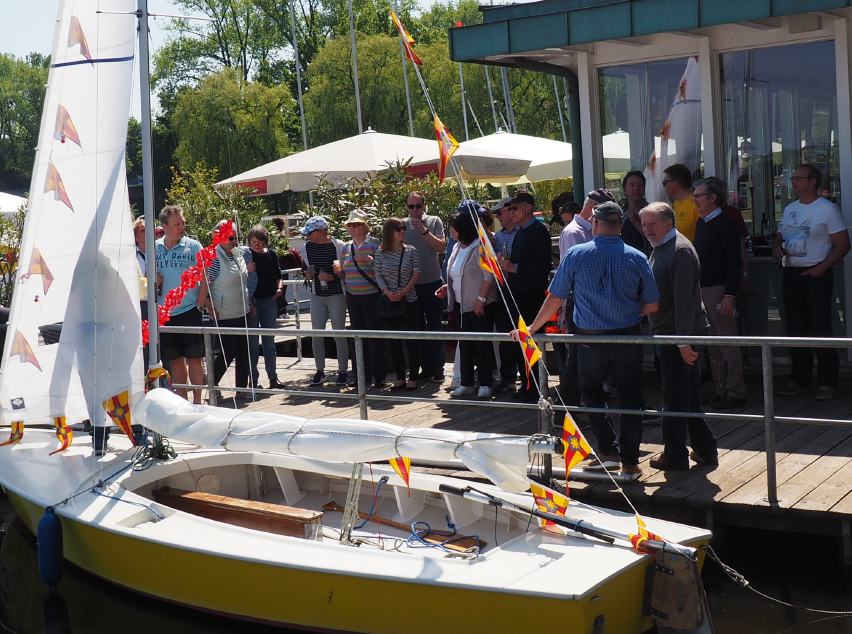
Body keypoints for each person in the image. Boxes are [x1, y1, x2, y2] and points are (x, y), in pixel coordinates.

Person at [518, 201, 660, 477]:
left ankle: (607, 451)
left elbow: (555, 299)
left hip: (589, 339)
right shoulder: (638, 256)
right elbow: (653, 305)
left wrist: (533, 327)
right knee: (631, 398)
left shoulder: (575, 254)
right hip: (628, 338)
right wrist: (629, 311)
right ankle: (630, 462)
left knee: (592, 394)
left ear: (594, 224)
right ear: (621, 226)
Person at [641, 202, 718, 470]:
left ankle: (674, 454)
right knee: (686, 395)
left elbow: (685, 300)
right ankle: (706, 449)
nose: (647, 229)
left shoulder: (679, 251)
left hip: (678, 334)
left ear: (669, 223)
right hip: (672, 333)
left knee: (674, 396)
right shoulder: (663, 246)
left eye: (653, 223)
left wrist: (683, 341)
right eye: (644, 224)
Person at [772, 164, 851, 400]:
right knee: (795, 328)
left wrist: (821, 269)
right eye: (792, 178)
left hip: (816, 273)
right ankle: (800, 379)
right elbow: (781, 234)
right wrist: (776, 246)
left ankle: (828, 382)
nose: (793, 181)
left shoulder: (827, 209)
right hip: (791, 273)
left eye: (798, 178)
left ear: (812, 182)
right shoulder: (789, 209)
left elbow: (844, 244)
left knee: (819, 327)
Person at [692, 177, 745, 409]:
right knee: (712, 344)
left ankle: (736, 392)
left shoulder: (726, 222)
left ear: (713, 198)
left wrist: (730, 295)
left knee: (727, 342)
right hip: (703, 289)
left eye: (698, 196)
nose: (694, 200)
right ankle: (720, 388)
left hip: (720, 291)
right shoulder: (702, 222)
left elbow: (734, 261)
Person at [437, 208, 498, 399]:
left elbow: (490, 275)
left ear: (462, 228)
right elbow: (459, 274)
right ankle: (467, 383)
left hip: (480, 305)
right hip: (461, 305)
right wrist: (448, 286)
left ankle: (486, 384)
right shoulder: (456, 247)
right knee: (465, 345)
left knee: (482, 345)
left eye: (453, 228)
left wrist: (481, 299)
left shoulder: (480, 247)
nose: (451, 232)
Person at [497, 191, 552, 402]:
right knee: (521, 342)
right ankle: (527, 385)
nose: (511, 212)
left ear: (527, 208)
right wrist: (508, 264)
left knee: (532, 343)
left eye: (514, 208)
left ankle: (536, 388)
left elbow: (542, 267)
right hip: (518, 294)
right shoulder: (521, 232)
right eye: (509, 208)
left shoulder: (538, 231)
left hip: (531, 295)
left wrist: (515, 267)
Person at [155, 205, 209, 403]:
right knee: (175, 359)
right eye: (177, 224)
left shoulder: (194, 246)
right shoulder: (155, 247)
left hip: (189, 310)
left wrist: (200, 305)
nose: (181, 227)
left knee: (195, 358)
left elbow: (204, 277)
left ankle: (197, 401)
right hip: (165, 313)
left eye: (183, 223)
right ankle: (182, 401)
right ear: (165, 226)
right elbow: (146, 277)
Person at [334, 209, 386, 389]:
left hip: (371, 295)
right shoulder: (346, 247)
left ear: (365, 226)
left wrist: (369, 259)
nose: (352, 227)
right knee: (358, 337)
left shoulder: (374, 244)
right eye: (350, 224)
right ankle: (361, 376)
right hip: (353, 297)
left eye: (356, 224)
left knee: (374, 336)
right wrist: (339, 273)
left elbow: (382, 269)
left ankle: (379, 376)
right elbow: (344, 273)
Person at [204, 220, 254, 399]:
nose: (234, 240)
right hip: (225, 313)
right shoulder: (214, 258)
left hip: (243, 309)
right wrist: (210, 308)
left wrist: (250, 303)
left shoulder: (237, 254)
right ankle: (211, 383)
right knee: (227, 352)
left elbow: (242, 281)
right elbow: (206, 285)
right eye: (230, 237)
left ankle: (242, 390)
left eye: (236, 237)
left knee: (243, 351)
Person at [298, 216, 349, 387]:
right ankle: (320, 371)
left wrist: (332, 276)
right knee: (316, 334)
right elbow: (305, 268)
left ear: (321, 232)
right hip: (317, 295)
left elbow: (346, 271)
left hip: (336, 295)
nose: (307, 236)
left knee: (339, 333)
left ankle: (343, 371)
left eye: (310, 233)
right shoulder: (306, 248)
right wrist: (308, 274)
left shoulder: (339, 246)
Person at [404, 191, 447, 382]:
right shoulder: (402, 225)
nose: (415, 210)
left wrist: (423, 229)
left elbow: (441, 247)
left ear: (424, 205)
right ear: (406, 207)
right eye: (411, 206)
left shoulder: (434, 221)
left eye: (418, 206)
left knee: (435, 325)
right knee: (417, 327)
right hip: (410, 285)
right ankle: (425, 367)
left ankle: (438, 367)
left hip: (432, 282)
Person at [375, 218, 422, 390]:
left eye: (404, 228)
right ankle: (400, 377)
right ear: (389, 232)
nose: (402, 231)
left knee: (412, 341)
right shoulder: (380, 252)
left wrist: (404, 291)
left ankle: (413, 378)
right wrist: (388, 292)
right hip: (389, 302)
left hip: (409, 300)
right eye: (399, 229)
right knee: (393, 342)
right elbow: (378, 274)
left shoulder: (410, 250)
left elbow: (417, 272)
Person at [246, 224, 284, 390]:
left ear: (265, 241)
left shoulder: (272, 254)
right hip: (252, 301)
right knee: (253, 343)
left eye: (259, 241)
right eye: (253, 241)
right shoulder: (246, 255)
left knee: (269, 342)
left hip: (269, 301)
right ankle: (253, 380)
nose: (256, 244)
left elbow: (278, 275)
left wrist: (279, 290)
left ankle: (273, 378)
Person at [663, 164, 700, 242]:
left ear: (675, 184)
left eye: (664, 182)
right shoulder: (676, 203)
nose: (664, 186)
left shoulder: (696, 203)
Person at [620, 171, 651, 256]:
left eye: (640, 184)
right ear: (625, 190)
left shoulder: (652, 211)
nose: (636, 188)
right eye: (632, 185)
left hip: (647, 260)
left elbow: (656, 238)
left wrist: (636, 222)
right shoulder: (620, 213)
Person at [134, 217, 149, 370]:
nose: (147, 233)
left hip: (158, 302)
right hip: (140, 304)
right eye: (143, 230)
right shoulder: (131, 255)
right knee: (143, 346)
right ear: (136, 236)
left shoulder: (158, 251)